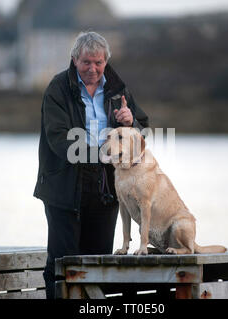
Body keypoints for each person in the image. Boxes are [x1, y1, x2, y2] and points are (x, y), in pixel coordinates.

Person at [33, 31, 149, 299]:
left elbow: (143, 134)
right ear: (74, 60)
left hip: (106, 187)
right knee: (62, 265)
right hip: (63, 187)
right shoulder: (58, 88)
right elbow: (58, 139)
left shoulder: (118, 90)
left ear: (106, 61)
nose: (92, 68)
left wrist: (131, 123)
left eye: (98, 62)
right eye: (86, 62)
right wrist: (99, 153)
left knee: (98, 264)